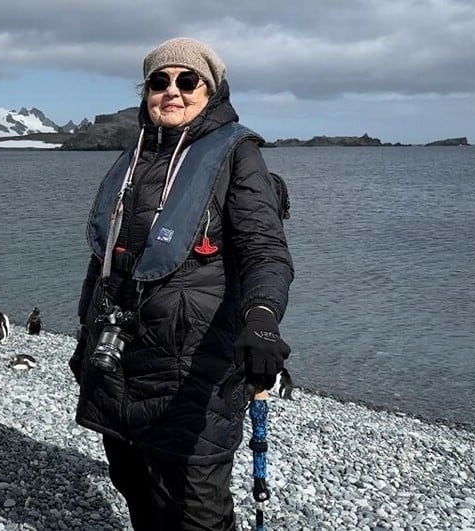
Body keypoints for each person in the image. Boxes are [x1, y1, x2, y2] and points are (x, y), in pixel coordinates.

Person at [68, 38, 293, 530]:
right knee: (134, 484)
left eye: (187, 81)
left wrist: (262, 320)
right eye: (159, 81)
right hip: (119, 357)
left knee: (196, 507)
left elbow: (265, 251)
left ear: (210, 91)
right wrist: (85, 342)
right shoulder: (132, 159)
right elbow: (102, 258)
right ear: (146, 91)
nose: (173, 91)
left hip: (193, 365)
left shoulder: (236, 155)